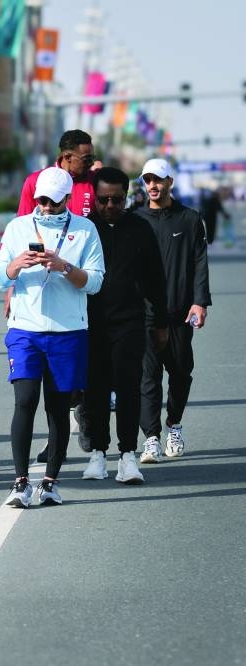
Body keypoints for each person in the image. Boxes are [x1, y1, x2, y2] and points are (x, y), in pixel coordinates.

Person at [0, 167, 104, 508]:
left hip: (68, 332)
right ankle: (20, 481)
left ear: (68, 199)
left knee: (57, 409)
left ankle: (51, 482)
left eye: (54, 203)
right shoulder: (17, 227)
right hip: (26, 329)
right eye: (41, 200)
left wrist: (65, 267)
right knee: (24, 400)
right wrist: (16, 265)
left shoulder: (85, 230)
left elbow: (96, 282)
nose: (46, 207)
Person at [79, 166, 168, 485]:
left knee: (129, 388)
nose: (110, 206)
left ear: (126, 197)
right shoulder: (84, 229)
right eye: (103, 200)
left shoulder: (140, 228)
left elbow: (156, 280)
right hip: (90, 322)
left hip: (130, 321)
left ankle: (128, 455)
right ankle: (98, 454)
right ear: (95, 197)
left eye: (117, 199)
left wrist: (161, 323)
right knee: (95, 390)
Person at [14, 129, 97, 463]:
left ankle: (84, 414)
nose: (90, 163)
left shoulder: (93, 182)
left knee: (85, 366)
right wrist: (12, 288)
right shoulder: (36, 181)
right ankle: (57, 439)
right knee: (37, 391)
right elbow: (23, 227)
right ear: (66, 157)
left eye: (92, 158)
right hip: (40, 297)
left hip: (84, 279)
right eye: (85, 158)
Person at [134, 158, 211, 463]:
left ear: (170, 183)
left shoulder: (189, 219)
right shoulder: (135, 220)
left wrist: (200, 301)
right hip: (145, 314)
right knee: (148, 377)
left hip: (180, 312)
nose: (152, 186)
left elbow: (200, 263)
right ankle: (151, 438)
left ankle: (173, 425)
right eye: (147, 180)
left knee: (180, 372)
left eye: (158, 180)